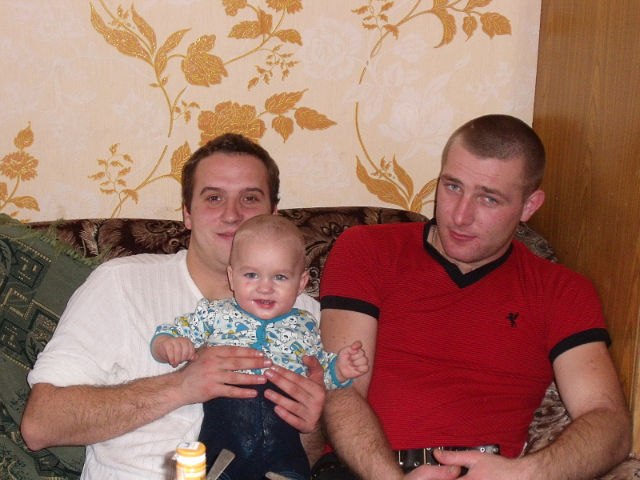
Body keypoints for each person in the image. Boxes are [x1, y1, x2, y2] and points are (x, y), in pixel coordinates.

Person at [314, 114, 632, 480]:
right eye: (452, 187)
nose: (460, 216)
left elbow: (609, 422)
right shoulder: (367, 249)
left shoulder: (562, 291)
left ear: (529, 206)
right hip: (364, 471)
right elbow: (341, 388)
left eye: (488, 199)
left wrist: (523, 474)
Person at [20, 133, 327, 479]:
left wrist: (311, 426)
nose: (232, 215)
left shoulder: (306, 315)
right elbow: (40, 424)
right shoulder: (121, 283)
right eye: (214, 198)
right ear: (187, 214)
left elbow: (305, 458)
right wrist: (182, 385)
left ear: (273, 214)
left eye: (250, 198)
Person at [152, 214, 368, 479]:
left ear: (301, 283)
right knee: (220, 453)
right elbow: (177, 330)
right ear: (232, 277)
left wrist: (340, 369)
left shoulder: (306, 325)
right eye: (251, 275)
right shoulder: (215, 313)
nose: (265, 287)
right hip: (228, 421)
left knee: (289, 461)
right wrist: (169, 344)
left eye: (280, 277)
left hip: (283, 432)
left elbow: (319, 372)